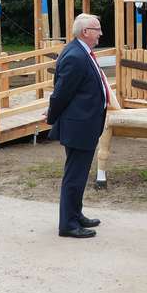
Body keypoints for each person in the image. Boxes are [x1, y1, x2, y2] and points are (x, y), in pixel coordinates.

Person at [46, 13, 111, 239]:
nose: (100, 34)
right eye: (98, 29)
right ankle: (68, 225)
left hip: (85, 124)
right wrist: (51, 118)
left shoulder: (81, 52)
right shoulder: (76, 55)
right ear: (85, 32)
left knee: (79, 174)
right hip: (78, 125)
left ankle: (75, 214)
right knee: (75, 175)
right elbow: (61, 93)